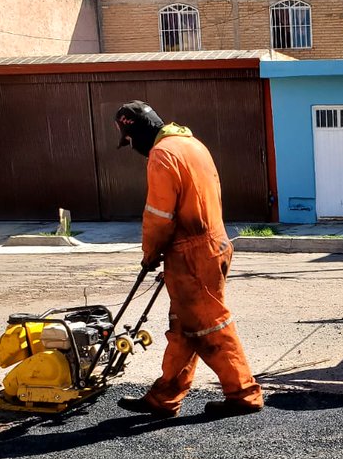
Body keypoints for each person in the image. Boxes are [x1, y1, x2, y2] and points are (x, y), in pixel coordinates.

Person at [113, 101, 264, 419]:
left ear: (135, 132)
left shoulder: (162, 154)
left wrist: (150, 252)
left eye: (129, 141)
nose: (132, 148)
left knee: (211, 327)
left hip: (192, 254)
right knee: (184, 328)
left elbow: (159, 214)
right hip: (214, 243)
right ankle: (164, 398)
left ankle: (244, 395)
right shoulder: (191, 144)